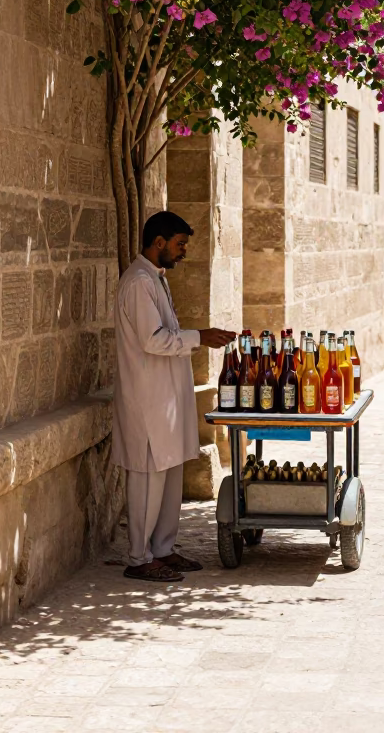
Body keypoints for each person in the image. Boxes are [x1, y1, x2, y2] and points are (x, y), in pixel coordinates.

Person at [112, 210, 236, 582]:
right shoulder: (138, 283)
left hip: (164, 399)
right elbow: (152, 340)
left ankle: (163, 549)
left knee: (169, 476)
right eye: (180, 245)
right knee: (148, 478)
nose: (183, 252)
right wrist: (200, 337)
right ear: (159, 242)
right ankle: (139, 558)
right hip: (146, 399)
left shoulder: (156, 279)